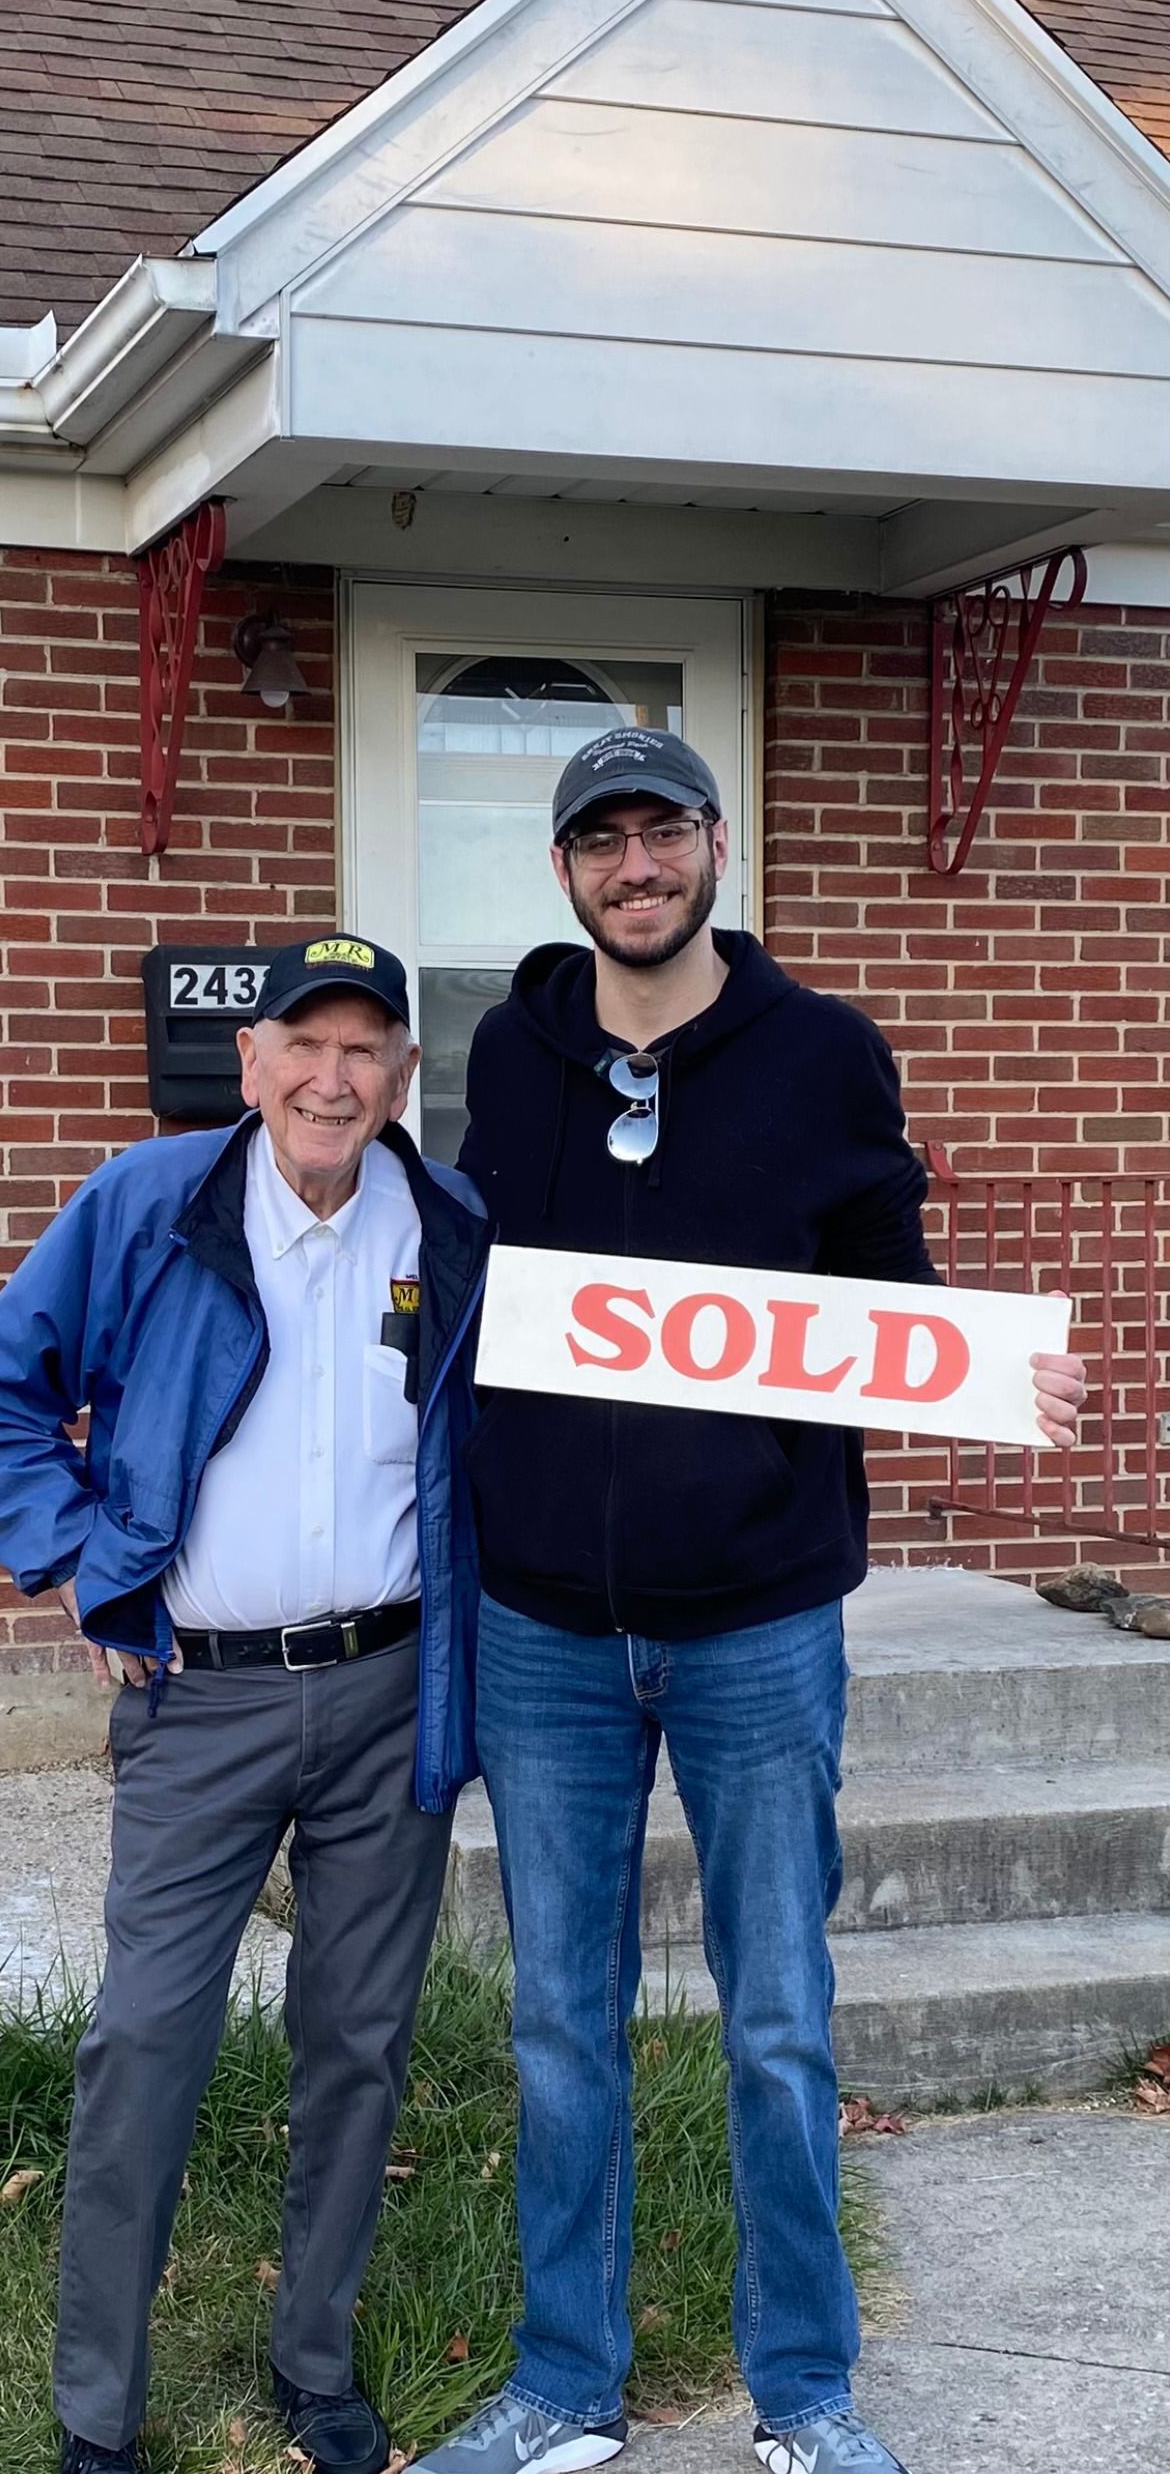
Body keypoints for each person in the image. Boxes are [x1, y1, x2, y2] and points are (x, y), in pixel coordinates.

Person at [419, 729, 1086, 2474]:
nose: (635, 869)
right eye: (601, 843)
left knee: (778, 2015)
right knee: (563, 2020)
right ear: (565, 871)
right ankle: (566, 2383)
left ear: (713, 846)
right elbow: (488, 1289)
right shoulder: (516, 1046)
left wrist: (986, 1381)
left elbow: (890, 1297)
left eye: (662, 834)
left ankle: (805, 2394)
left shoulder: (823, 1056)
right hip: (549, 1625)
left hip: (758, 1621)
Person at [0, 933, 488, 2474]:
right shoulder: (149, 1204)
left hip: (389, 1690)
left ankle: (314, 2362)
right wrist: (75, 1566)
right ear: (250, 1065)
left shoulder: (447, 1221)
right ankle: (96, 2414)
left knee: (359, 2039)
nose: (332, 1078)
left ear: (400, 1074)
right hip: (202, 1701)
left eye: (363, 1048)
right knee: (144, 2041)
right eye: (301, 1046)